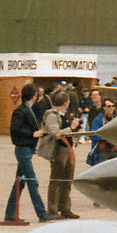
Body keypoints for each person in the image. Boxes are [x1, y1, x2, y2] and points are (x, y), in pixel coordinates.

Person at [5, 83, 50, 223]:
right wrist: (33, 134)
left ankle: (10, 214)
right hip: (22, 149)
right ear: (33, 96)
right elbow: (15, 130)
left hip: (28, 149)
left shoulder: (29, 109)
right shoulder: (20, 110)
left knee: (20, 182)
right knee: (32, 180)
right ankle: (41, 213)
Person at [44, 90, 80, 220]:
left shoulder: (65, 116)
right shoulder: (52, 115)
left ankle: (65, 208)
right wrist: (71, 128)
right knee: (56, 180)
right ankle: (53, 210)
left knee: (67, 180)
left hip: (69, 149)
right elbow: (56, 134)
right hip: (58, 150)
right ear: (66, 103)